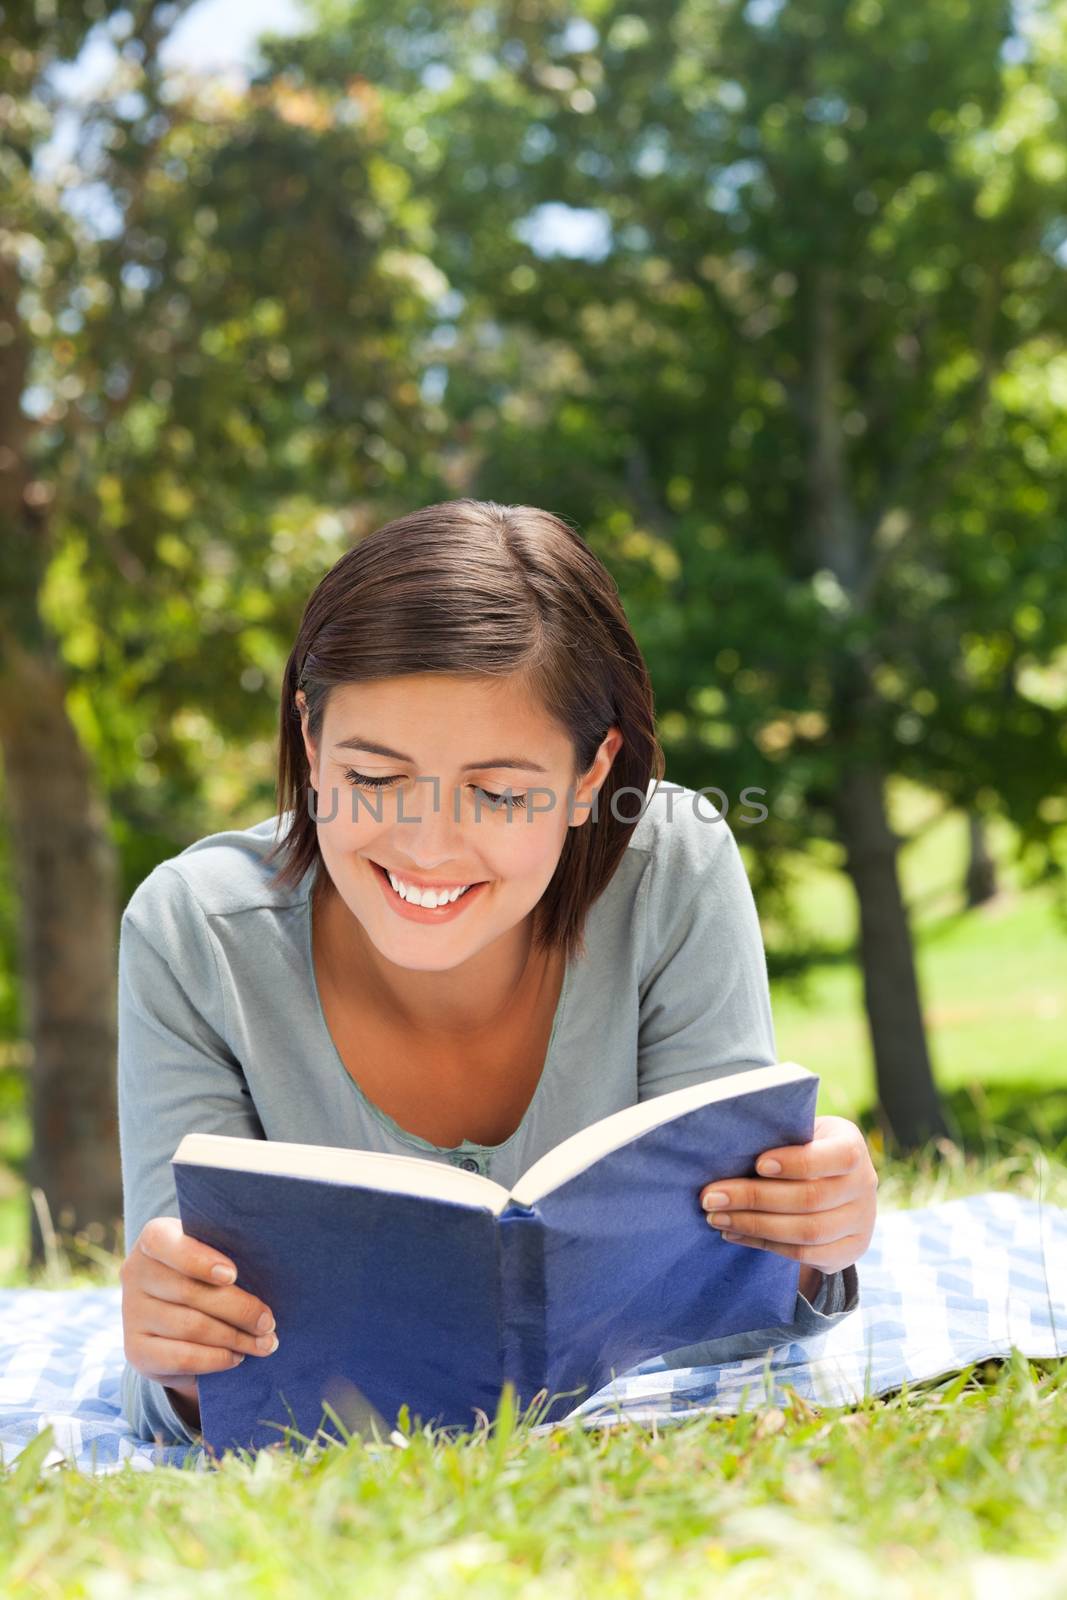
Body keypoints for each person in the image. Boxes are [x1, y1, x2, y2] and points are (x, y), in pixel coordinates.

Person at [118, 498, 876, 1445]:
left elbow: (737, 1305)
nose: (428, 846)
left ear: (592, 773)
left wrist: (816, 1239)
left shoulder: (672, 868)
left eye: (502, 792)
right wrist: (175, 1350)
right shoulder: (194, 933)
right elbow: (177, 1374)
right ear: (311, 746)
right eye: (373, 778)